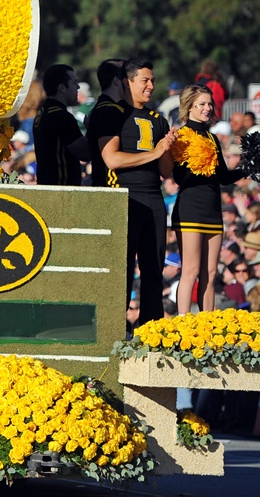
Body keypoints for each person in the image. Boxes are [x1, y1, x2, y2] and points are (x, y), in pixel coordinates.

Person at [100, 59, 177, 324]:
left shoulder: (159, 119)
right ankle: (114, 326)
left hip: (154, 199)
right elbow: (112, 159)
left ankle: (151, 328)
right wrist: (153, 153)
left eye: (153, 80)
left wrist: (166, 150)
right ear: (127, 82)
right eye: (144, 80)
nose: (151, 86)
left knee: (154, 268)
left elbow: (166, 172)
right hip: (124, 197)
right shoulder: (113, 113)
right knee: (123, 267)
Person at [170, 85, 247, 315]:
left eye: (209, 104)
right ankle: (182, 322)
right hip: (190, 210)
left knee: (210, 273)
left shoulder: (212, 137)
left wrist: (247, 167)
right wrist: (198, 165)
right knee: (190, 271)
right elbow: (177, 177)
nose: (207, 108)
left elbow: (223, 177)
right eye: (202, 104)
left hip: (213, 211)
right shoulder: (181, 136)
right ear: (189, 107)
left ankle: (206, 322)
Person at [33, 64, 89, 186]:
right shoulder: (60, 116)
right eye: (74, 83)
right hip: (61, 189)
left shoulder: (43, 111)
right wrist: (92, 129)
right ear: (62, 88)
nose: (78, 87)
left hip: (48, 185)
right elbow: (85, 153)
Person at [86, 59, 127, 189]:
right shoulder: (108, 111)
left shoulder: (104, 108)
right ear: (116, 81)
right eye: (126, 78)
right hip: (111, 186)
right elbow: (111, 158)